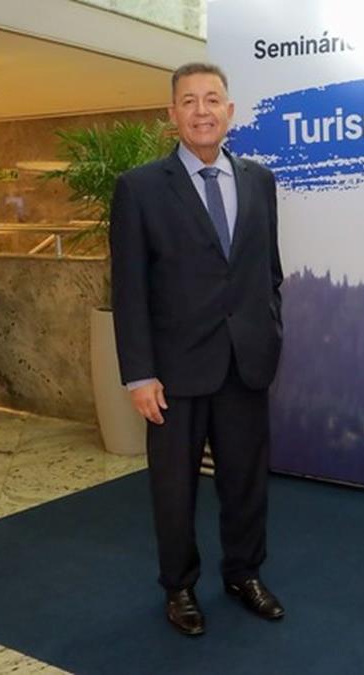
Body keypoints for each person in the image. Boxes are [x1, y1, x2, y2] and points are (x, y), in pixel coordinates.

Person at [110, 62, 285, 636]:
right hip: (174, 373)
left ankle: (244, 573)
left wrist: (270, 328)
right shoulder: (138, 188)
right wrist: (139, 374)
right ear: (173, 114)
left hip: (245, 364)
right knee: (174, 490)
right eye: (189, 101)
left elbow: (268, 271)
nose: (202, 111)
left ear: (230, 111)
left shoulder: (260, 181)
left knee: (246, 482)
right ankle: (179, 587)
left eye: (212, 99)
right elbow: (129, 288)